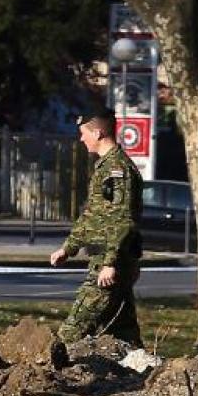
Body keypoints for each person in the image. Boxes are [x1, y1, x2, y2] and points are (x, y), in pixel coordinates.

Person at [49, 109, 144, 347]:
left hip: (111, 261)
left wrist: (110, 263)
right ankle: (142, 373)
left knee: (75, 328)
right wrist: (68, 248)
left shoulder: (118, 170)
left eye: (84, 134)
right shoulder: (104, 168)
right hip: (109, 259)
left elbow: (123, 219)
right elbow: (92, 216)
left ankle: (48, 373)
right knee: (123, 333)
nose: (81, 139)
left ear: (98, 133)